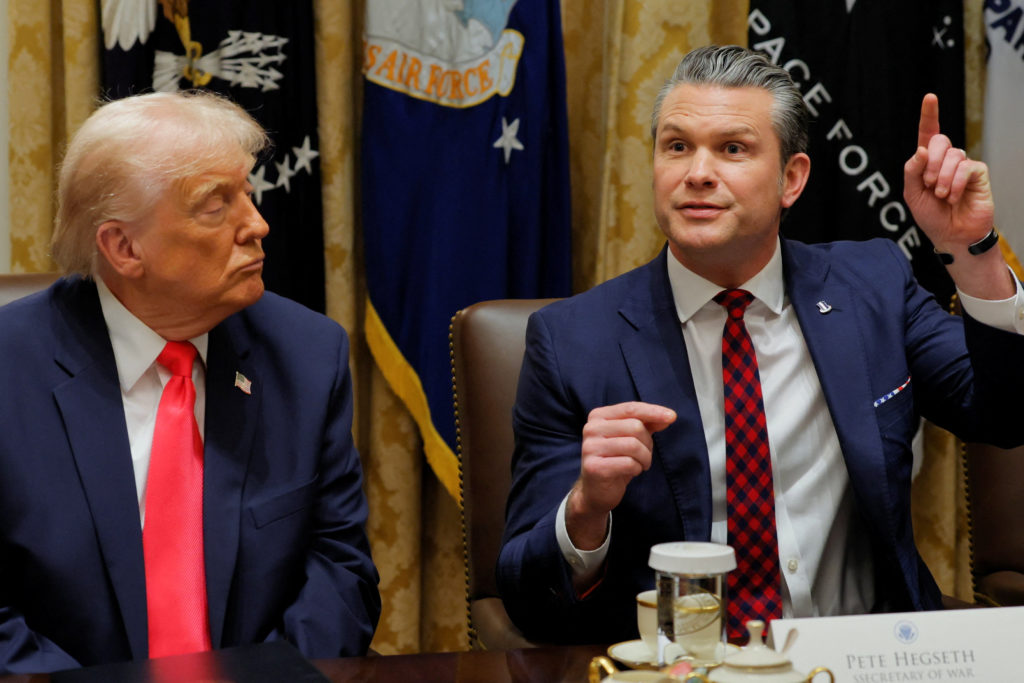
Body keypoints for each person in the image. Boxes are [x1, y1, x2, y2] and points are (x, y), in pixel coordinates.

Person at [497, 45, 1024, 646]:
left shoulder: (870, 287)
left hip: (862, 656)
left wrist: (973, 252)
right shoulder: (573, 341)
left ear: (791, 179)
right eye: (676, 146)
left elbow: (1005, 413)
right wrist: (586, 510)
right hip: (686, 667)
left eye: (732, 148)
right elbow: (523, 599)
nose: (697, 172)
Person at [0, 91, 380, 674]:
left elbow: (339, 571)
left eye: (247, 193)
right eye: (215, 205)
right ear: (124, 247)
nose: (257, 224)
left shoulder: (305, 354)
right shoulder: (11, 369)